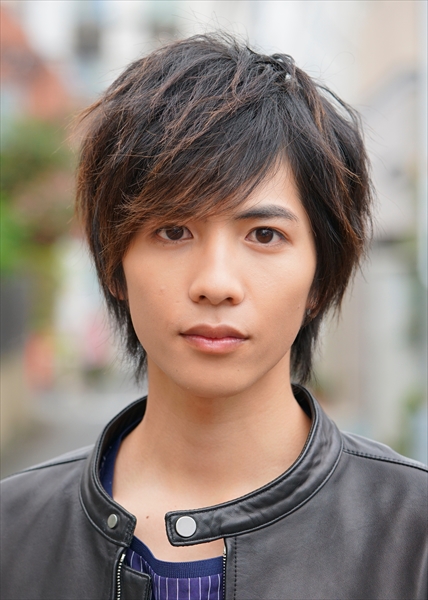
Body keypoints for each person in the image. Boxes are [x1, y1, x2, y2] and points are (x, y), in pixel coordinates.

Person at [1, 33, 426, 600]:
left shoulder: (411, 534)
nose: (216, 284)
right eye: (173, 231)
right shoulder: (14, 531)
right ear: (113, 265)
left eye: (264, 235)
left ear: (320, 278)